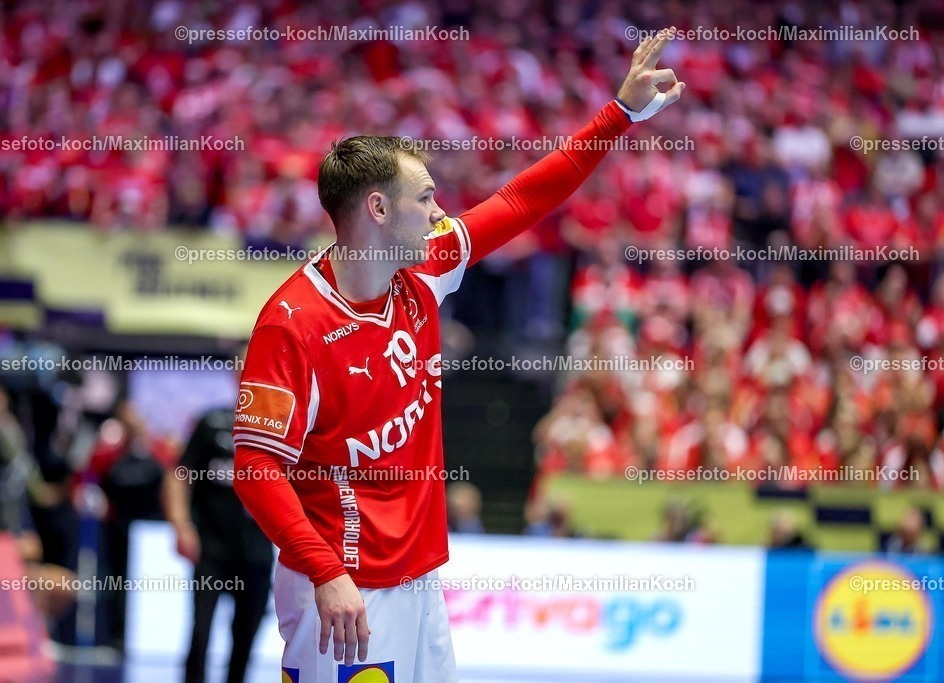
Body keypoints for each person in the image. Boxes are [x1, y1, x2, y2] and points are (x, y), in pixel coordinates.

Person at [232, 28, 685, 682]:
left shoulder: (424, 268)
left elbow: (521, 199)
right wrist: (325, 571)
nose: (441, 212)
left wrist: (621, 114)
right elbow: (254, 466)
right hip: (346, 586)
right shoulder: (293, 325)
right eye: (426, 199)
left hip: (419, 576)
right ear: (379, 209)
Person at [163, 407, 273, 683]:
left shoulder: (280, 428)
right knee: (201, 630)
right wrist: (180, 524)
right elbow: (179, 474)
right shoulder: (212, 423)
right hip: (211, 548)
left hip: (256, 550)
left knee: (247, 630)